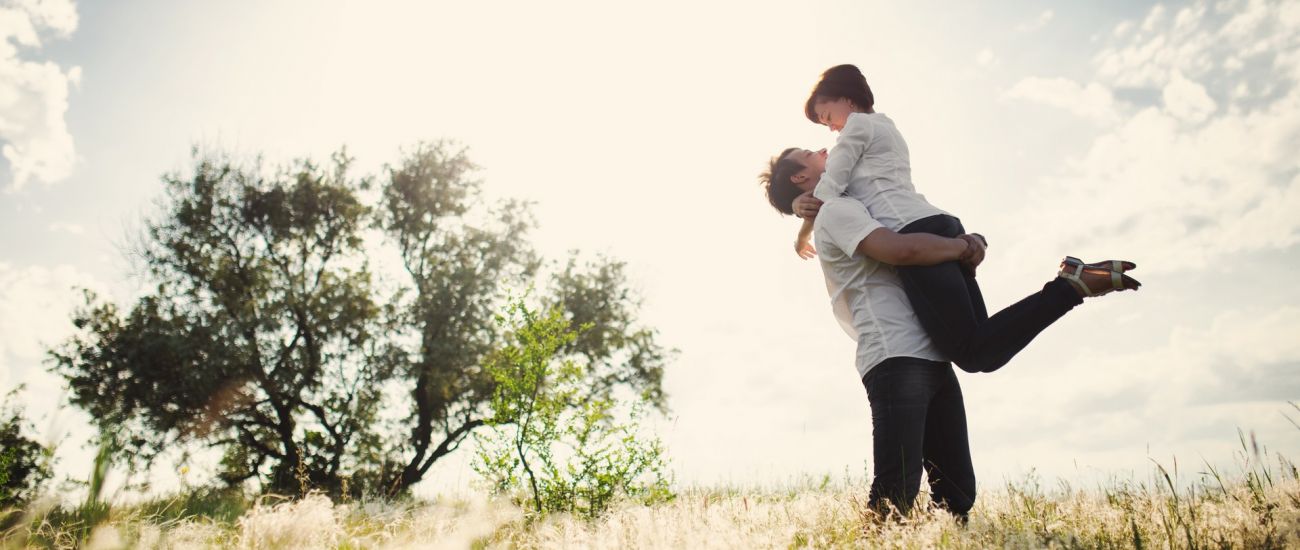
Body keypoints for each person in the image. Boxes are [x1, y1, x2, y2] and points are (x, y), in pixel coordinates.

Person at [759, 149, 1140, 520]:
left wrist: (975, 240)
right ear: (799, 178)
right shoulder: (839, 213)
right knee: (895, 495)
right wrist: (964, 245)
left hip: (933, 356)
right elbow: (902, 250)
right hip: (896, 357)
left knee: (956, 493)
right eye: (810, 152)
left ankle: (1070, 287)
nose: (825, 148)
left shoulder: (853, 203)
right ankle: (1069, 288)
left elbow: (904, 213)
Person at [781, 64, 1140, 373]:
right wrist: (799, 202)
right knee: (981, 342)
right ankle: (1072, 284)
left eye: (827, 117)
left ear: (846, 99)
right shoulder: (886, 125)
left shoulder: (855, 129)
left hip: (916, 236)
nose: (830, 130)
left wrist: (802, 226)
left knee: (973, 352)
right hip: (941, 225)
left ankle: (1068, 287)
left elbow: (831, 188)